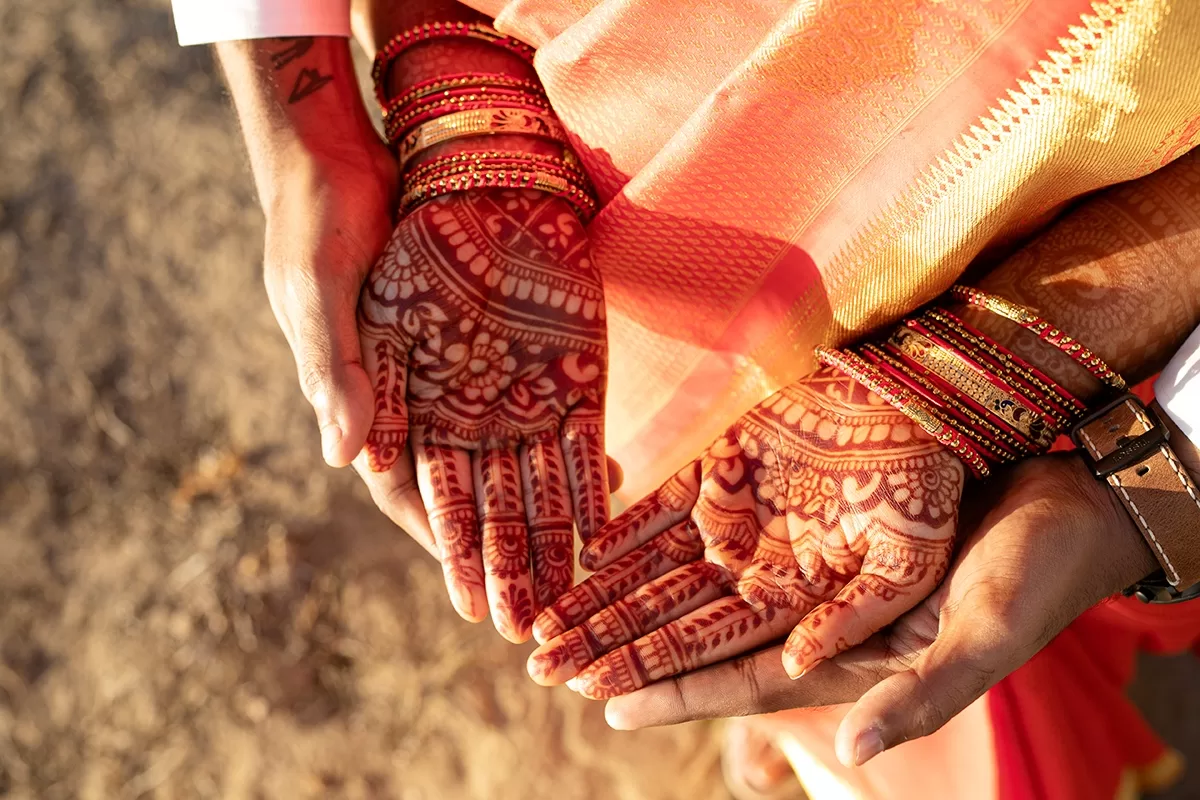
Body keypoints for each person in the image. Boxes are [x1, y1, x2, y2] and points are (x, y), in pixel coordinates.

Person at [175, 0, 1200, 796]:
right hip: (569, 147)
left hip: (1082, 213)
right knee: (710, 541)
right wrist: (347, 115)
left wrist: (1130, 482)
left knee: (880, 591)